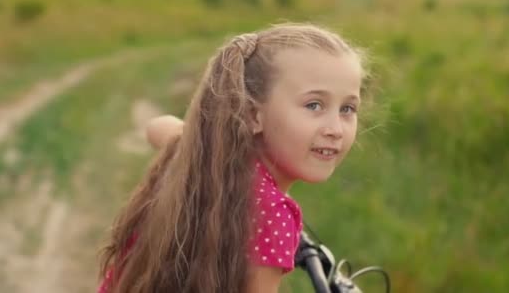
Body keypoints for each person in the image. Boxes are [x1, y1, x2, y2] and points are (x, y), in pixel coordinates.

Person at [98, 23, 366, 293]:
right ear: (253, 115)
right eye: (314, 105)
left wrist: (190, 139)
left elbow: (157, 127)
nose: (335, 129)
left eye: (347, 108)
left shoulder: (206, 159)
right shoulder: (273, 215)